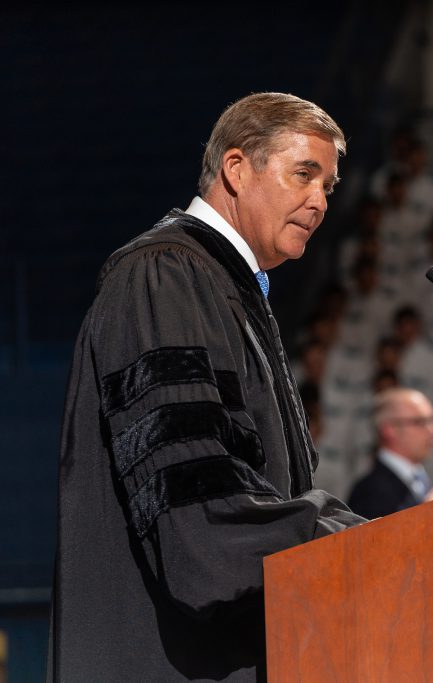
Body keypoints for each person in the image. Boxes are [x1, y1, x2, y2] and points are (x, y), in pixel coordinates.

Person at [49, 93, 366, 681]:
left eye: (329, 184)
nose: (320, 201)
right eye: (304, 174)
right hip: (170, 658)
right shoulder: (164, 277)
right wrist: (343, 538)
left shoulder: (224, 288)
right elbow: (197, 501)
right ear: (237, 169)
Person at [346, 388, 433, 519]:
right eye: (419, 422)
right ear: (389, 430)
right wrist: (427, 515)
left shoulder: (417, 477)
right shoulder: (370, 491)